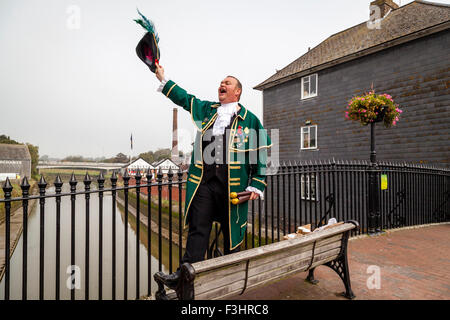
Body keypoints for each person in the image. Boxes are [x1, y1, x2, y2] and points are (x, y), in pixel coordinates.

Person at [154, 63, 271, 289]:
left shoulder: (250, 120)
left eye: (227, 83)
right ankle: (184, 278)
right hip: (204, 183)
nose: (222, 85)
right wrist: (163, 78)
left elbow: (260, 152)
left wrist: (257, 183)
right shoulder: (208, 110)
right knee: (198, 229)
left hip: (232, 187)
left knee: (231, 233)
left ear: (237, 91)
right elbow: (185, 98)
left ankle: (231, 278)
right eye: (221, 83)